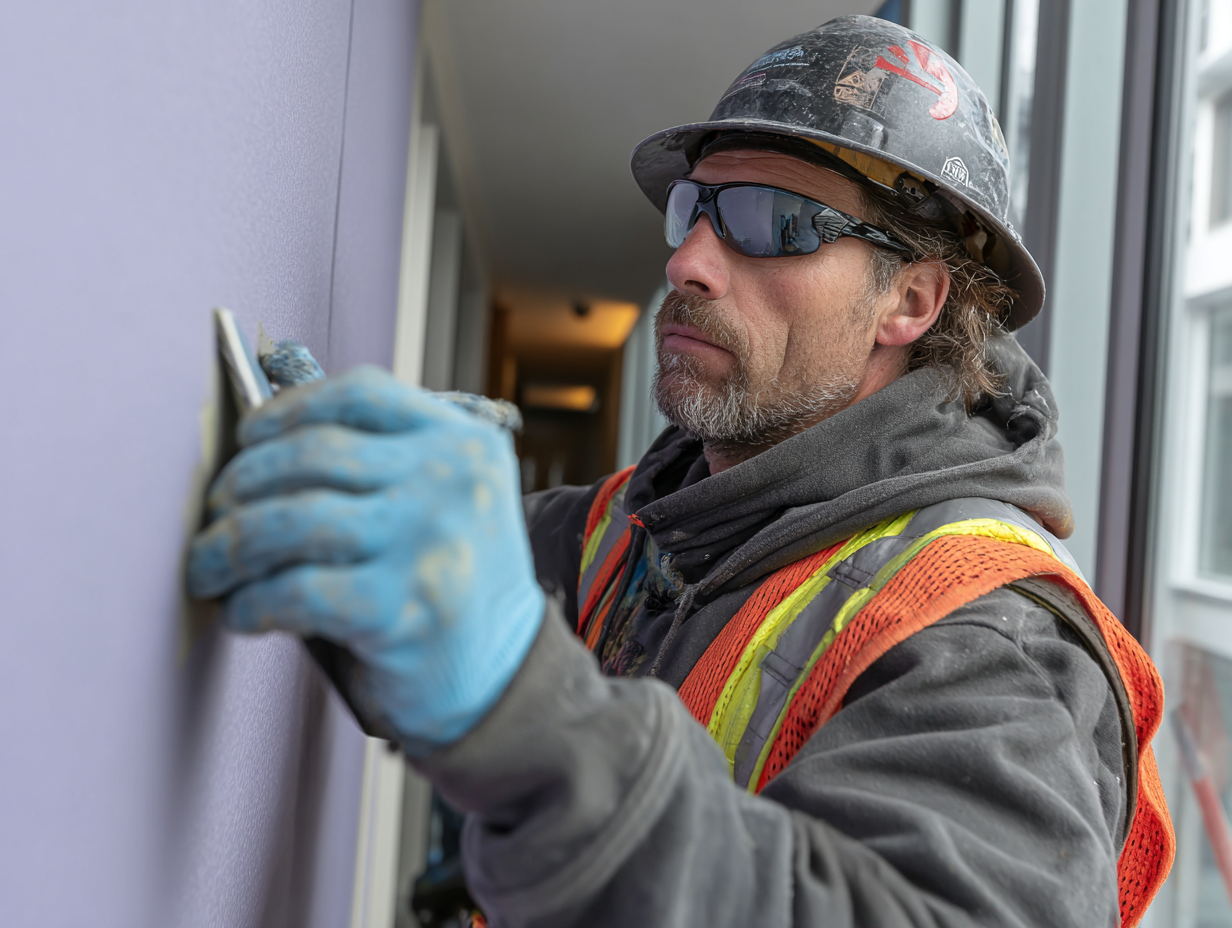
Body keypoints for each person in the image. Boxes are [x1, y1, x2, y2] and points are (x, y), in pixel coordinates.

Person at [188, 15, 1174, 928]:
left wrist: (525, 715)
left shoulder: (987, 639)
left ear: (908, 300)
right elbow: (415, 618)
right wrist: (346, 489)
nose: (688, 261)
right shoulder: (645, 525)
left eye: (768, 221)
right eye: (692, 211)